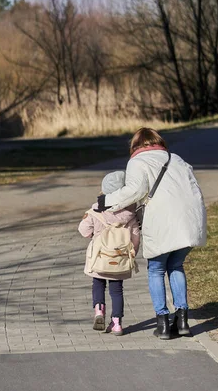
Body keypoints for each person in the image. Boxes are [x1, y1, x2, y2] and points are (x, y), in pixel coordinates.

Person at [97, 128, 207, 340]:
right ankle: (182, 320)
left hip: (162, 222)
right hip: (190, 220)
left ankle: (163, 323)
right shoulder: (176, 159)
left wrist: (107, 201)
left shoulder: (138, 162)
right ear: (159, 142)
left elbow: (135, 191)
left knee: (156, 269)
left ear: (136, 145)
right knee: (176, 265)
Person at [78, 171, 140, 337]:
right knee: (117, 290)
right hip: (119, 258)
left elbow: (83, 230)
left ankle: (99, 310)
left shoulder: (96, 211)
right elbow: (135, 238)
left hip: (99, 257)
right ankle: (117, 323)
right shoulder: (130, 215)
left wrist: (95, 237)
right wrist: (132, 253)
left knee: (98, 283)